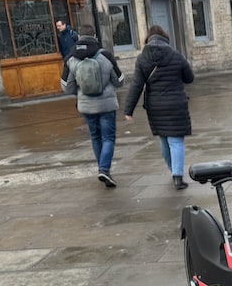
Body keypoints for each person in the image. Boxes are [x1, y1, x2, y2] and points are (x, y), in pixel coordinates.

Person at [122, 26, 194, 190]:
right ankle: (177, 176)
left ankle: (172, 170)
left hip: (156, 106)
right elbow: (189, 78)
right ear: (165, 38)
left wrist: (128, 110)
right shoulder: (176, 55)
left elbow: (137, 86)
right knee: (176, 141)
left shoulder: (142, 59)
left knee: (164, 141)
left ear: (148, 39)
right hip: (176, 104)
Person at [60, 27, 125, 187]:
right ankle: (104, 169)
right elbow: (120, 81)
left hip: (86, 106)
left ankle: (102, 169)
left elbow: (66, 86)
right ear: (95, 36)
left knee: (95, 137)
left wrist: (80, 93)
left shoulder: (70, 58)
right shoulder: (105, 56)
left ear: (79, 36)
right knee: (108, 137)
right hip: (106, 105)